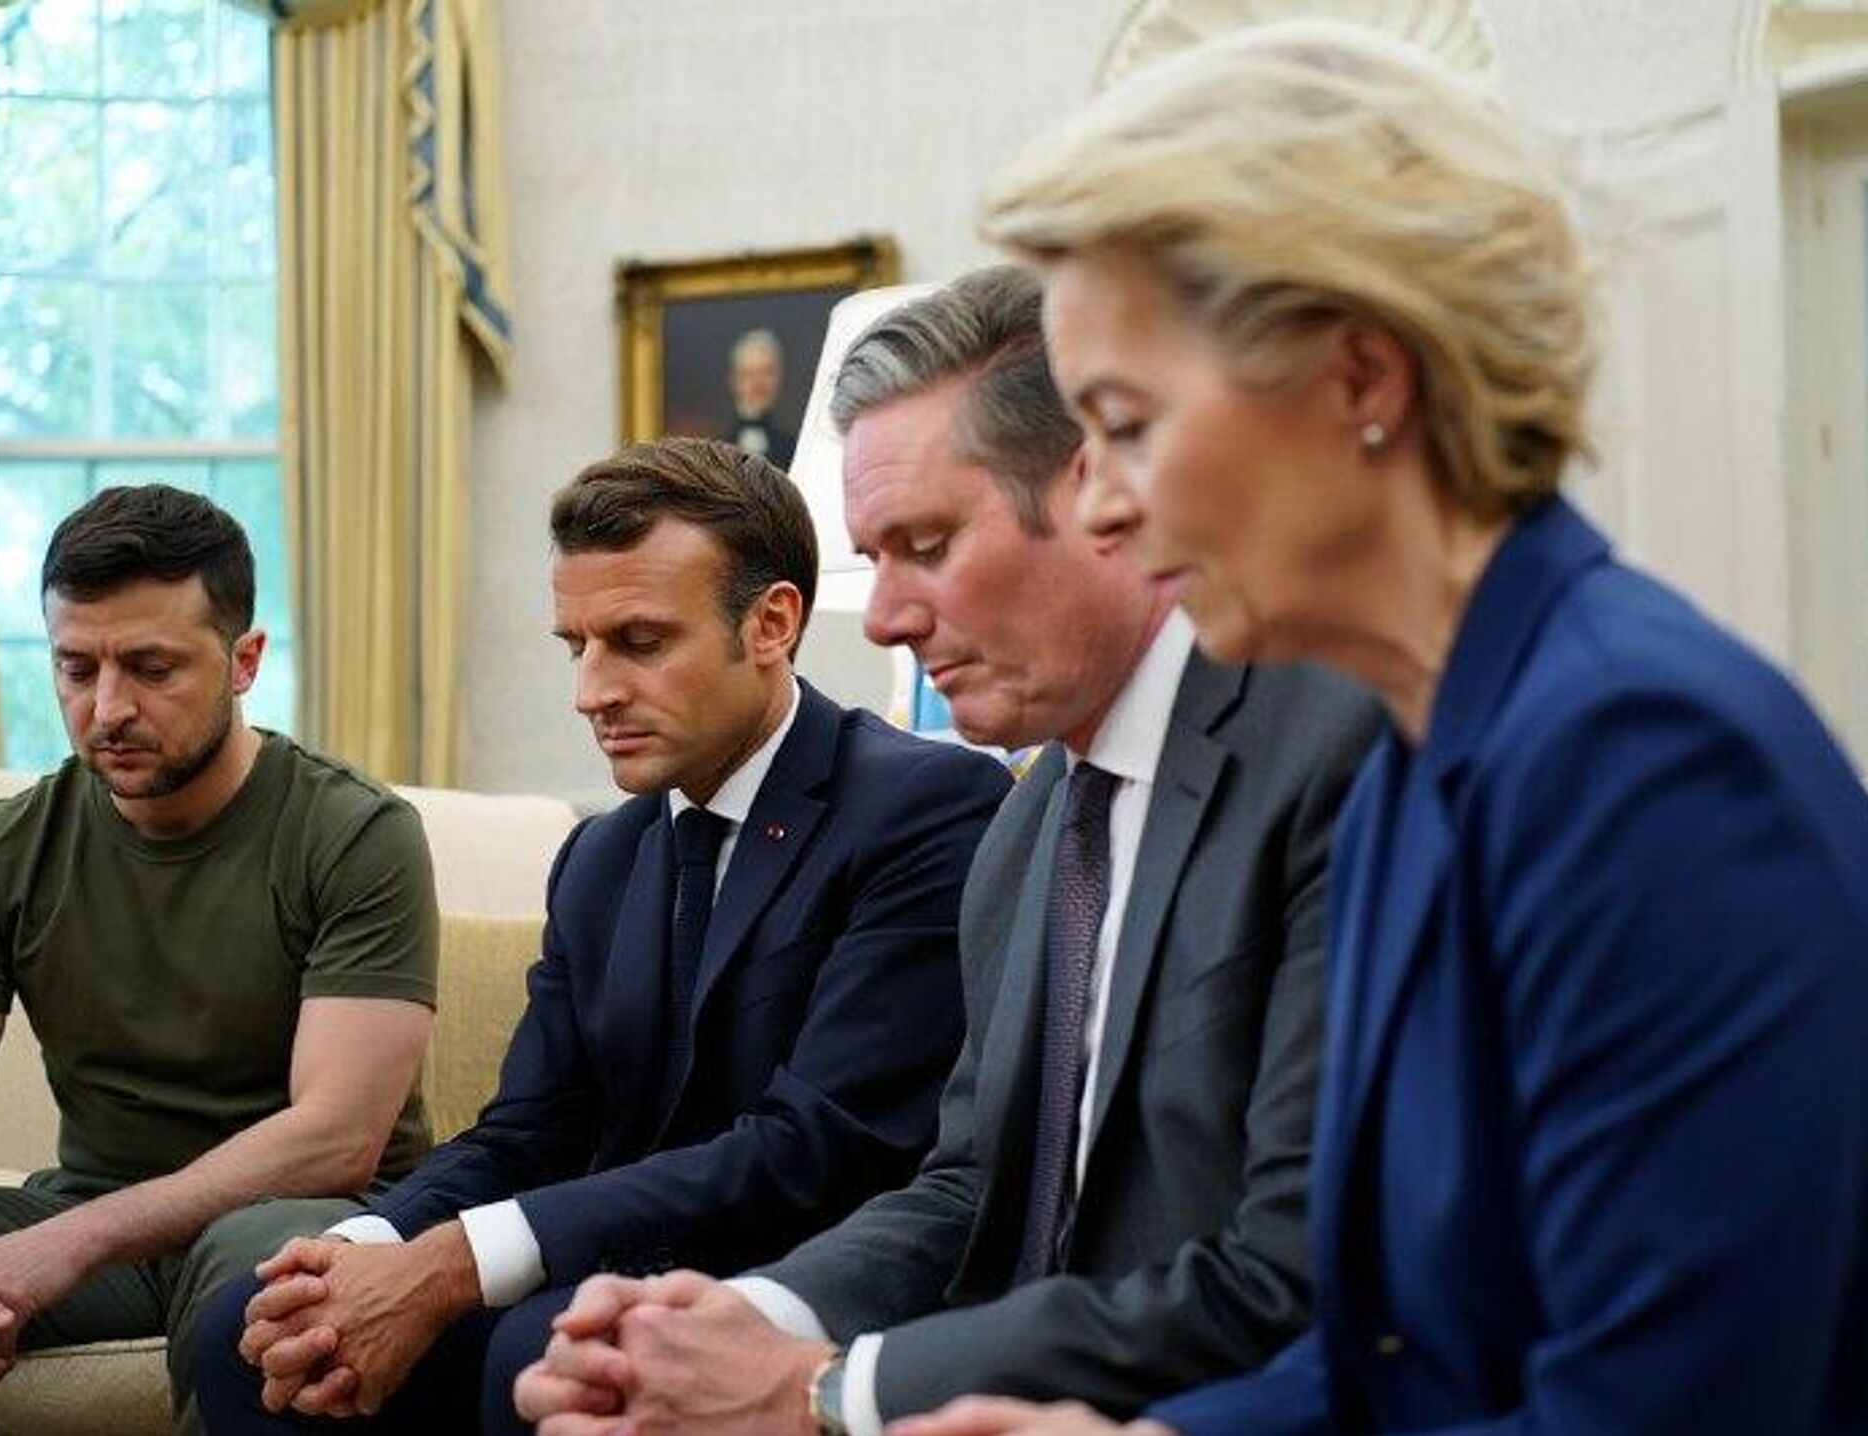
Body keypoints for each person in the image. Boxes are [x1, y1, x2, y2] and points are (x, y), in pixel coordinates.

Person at [886, 20, 1868, 1435]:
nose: (1099, 507)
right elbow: (1393, 1349)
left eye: (1131, 424)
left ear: (1361, 377)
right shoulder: (1427, 753)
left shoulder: (1643, 759)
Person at [511, 267, 1381, 1435]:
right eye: (876, 558)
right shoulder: (1029, 824)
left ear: (1104, 496)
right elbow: (970, 1186)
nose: (883, 618)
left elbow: (1289, 1276)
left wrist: (828, 1389)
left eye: (925, 545)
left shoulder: (1336, 748)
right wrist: (747, 1316)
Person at [192, 437, 1011, 1434]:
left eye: (638, 641)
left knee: (544, 1350)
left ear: (771, 622)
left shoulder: (923, 807)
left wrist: (458, 1261)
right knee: (254, 1325)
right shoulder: (600, 855)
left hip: (803, 1272)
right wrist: (367, 1246)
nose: (592, 691)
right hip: (606, 1255)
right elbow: (528, 1131)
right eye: (575, 645)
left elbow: (813, 1150)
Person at [0, 484, 437, 1434]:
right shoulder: (5, 849)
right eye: (76, 668)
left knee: (265, 1282)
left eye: (152, 667)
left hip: (297, 1220)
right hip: (96, 1224)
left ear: (245, 660)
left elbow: (337, 1138)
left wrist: (70, 1243)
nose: (108, 708)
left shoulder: (355, 833)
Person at [726, 329, 796, 468]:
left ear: (779, 378)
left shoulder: (794, 449)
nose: (758, 384)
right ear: (734, 380)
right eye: (749, 374)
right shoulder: (713, 455)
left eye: (767, 372)